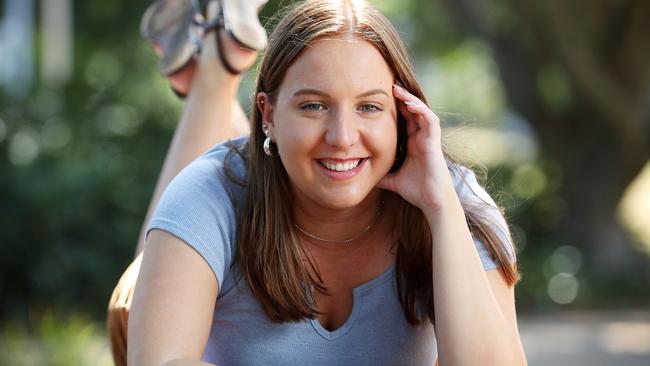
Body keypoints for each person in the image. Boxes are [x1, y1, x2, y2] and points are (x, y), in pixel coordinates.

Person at [125, 0, 527, 365]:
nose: (343, 136)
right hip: (215, 206)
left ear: (403, 117)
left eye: (369, 106)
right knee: (211, 188)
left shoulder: (456, 200)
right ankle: (215, 72)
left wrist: (441, 210)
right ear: (267, 113)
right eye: (313, 105)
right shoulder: (207, 192)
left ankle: (220, 59)